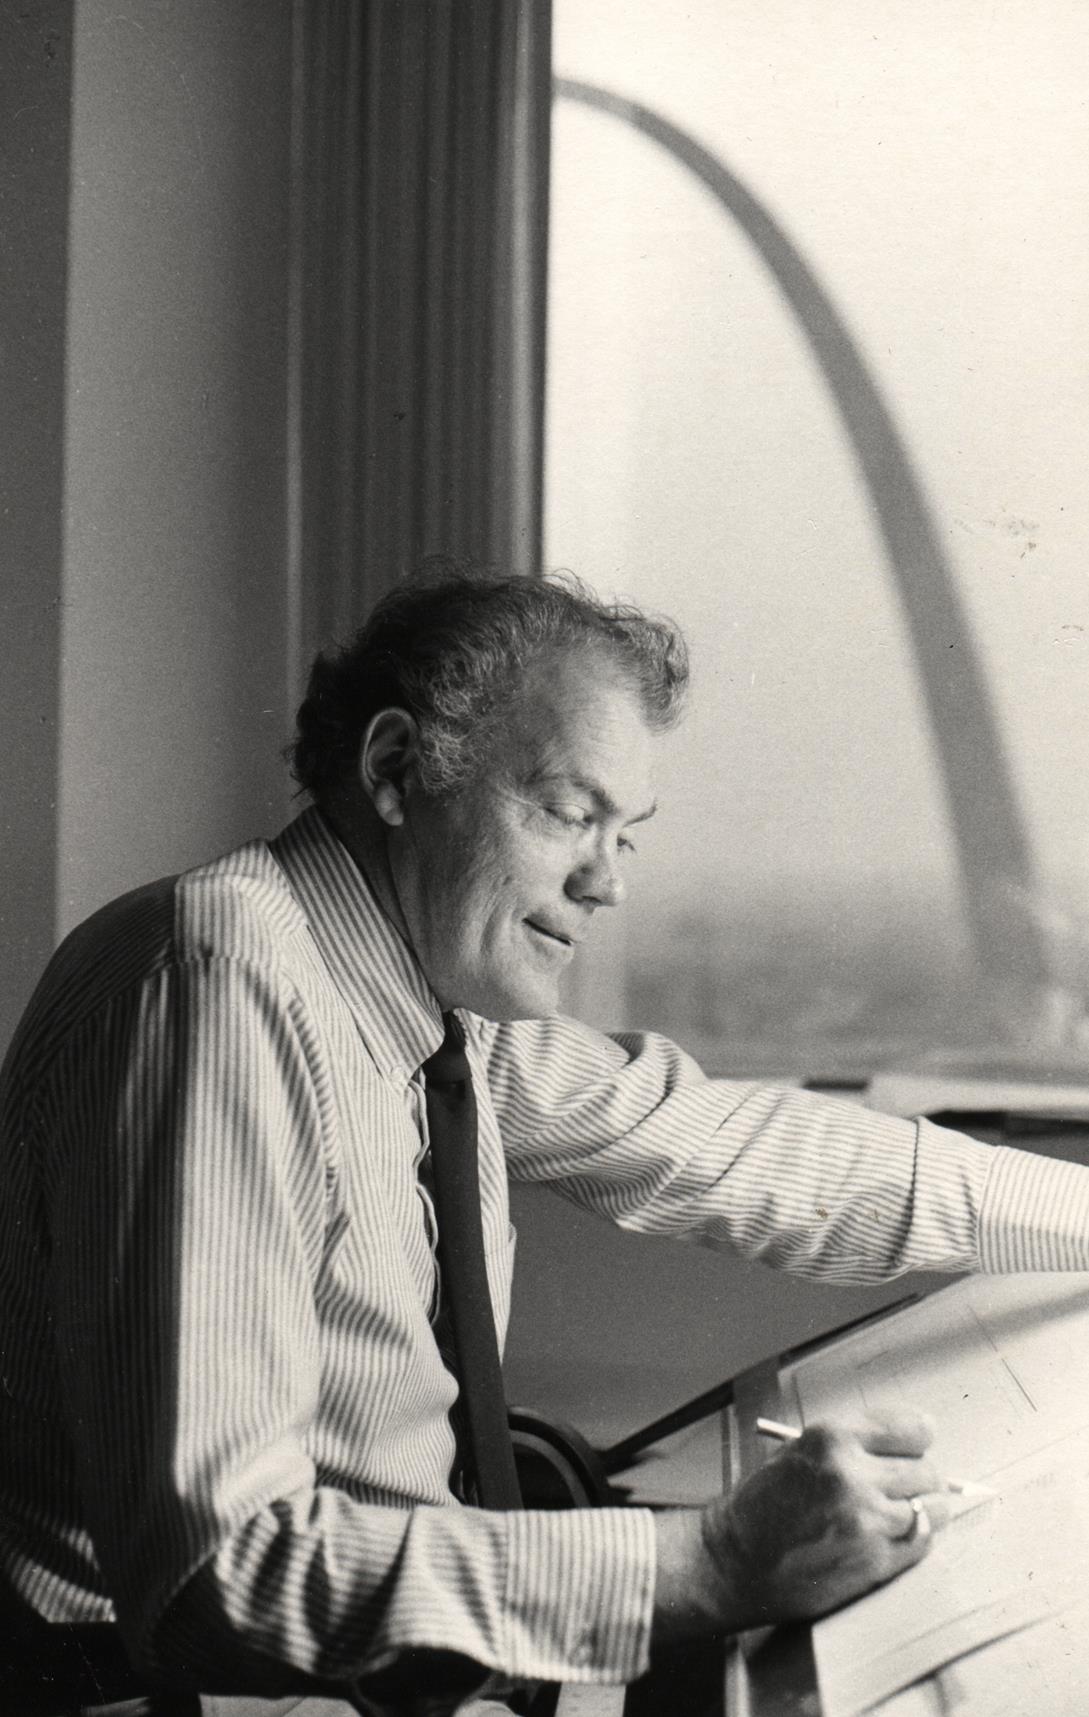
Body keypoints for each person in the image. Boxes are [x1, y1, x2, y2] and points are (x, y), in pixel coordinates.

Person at [3, 569, 1089, 1717]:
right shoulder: (219, 985)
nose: (606, 882)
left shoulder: (435, 1006)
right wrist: (707, 1562)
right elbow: (216, 1580)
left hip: (363, 1667)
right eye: (570, 813)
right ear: (395, 769)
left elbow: (742, 1151)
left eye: (626, 836)